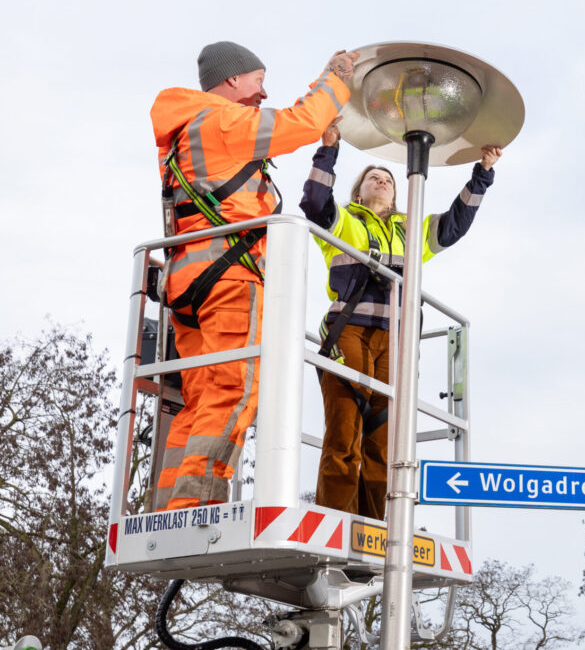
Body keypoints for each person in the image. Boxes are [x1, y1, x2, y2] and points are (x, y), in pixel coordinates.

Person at [150, 41, 359, 511]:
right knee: (233, 388)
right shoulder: (223, 121)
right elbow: (298, 122)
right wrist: (336, 78)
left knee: (202, 397)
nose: (263, 93)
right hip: (228, 277)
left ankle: (169, 508)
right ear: (231, 81)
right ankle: (193, 509)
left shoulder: (188, 129)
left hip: (188, 279)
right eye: (258, 81)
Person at [300, 121, 502, 519]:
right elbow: (314, 202)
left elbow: (455, 224)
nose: (381, 181)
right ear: (358, 191)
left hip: (396, 339)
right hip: (349, 332)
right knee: (344, 435)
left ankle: (376, 531)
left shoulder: (411, 230)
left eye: (387, 179)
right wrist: (328, 149)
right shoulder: (344, 222)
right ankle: (335, 524)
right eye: (372, 177)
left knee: (383, 443)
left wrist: (483, 173)